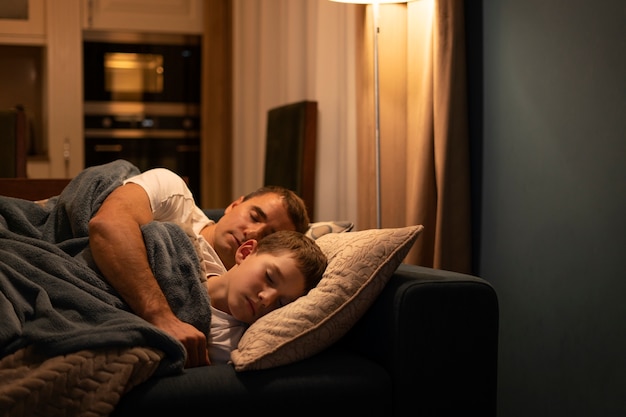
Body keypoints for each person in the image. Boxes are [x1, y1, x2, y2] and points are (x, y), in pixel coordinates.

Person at [88, 166, 313, 367]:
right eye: (254, 217)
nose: (252, 233)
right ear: (235, 204)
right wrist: (161, 317)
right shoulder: (175, 196)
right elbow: (108, 224)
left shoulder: (238, 303)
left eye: (268, 236)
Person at [204, 229, 326, 365]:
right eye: (269, 277)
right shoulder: (194, 251)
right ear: (246, 253)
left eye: (281, 303)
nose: (267, 299)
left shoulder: (226, 347)